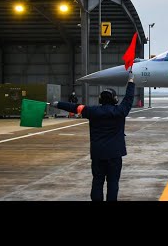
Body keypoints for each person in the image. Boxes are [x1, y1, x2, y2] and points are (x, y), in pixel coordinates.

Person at [51, 71, 135, 201]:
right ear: (115, 100)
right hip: (114, 154)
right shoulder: (120, 111)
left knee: (97, 181)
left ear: (100, 99)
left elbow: (75, 107)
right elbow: (129, 98)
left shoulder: (91, 111)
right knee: (113, 183)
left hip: (98, 154)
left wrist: (57, 104)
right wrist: (131, 82)